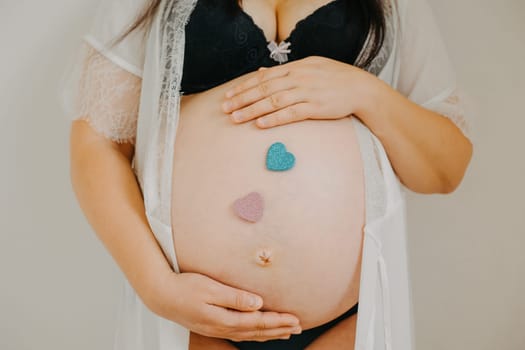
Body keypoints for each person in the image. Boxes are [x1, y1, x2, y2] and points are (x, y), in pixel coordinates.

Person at [60, 0, 473, 349]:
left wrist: (366, 93)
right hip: (192, 317)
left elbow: (445, 170)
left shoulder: (393, 6)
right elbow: (98, 144)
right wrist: (156, 286)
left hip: (348, 317)